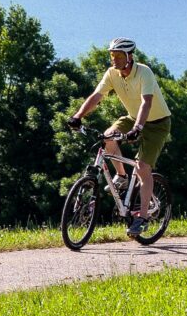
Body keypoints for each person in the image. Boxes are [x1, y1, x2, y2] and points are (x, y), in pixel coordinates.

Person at [67, 37, 171, 237]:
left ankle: (141, 218)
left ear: (129, 57)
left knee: (142, 167)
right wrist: (78, 116)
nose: (113, 59)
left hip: (157, 124)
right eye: (112, 55)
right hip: (132, 118)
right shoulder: (112, 73)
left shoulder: (144, 72)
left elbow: (146, 102)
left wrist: (138, 128)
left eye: (118, 55)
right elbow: (97, 96)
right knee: (107, 137)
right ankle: (122, 176)